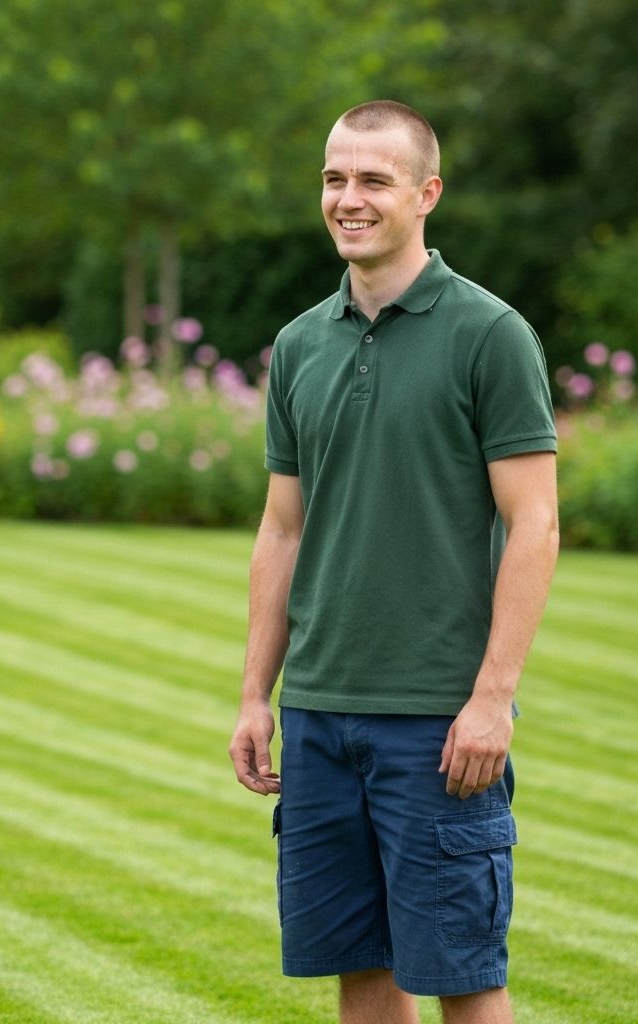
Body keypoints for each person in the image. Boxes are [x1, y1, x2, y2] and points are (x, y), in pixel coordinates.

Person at [228, 100, 559, 1024]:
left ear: (427, 193)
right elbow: (283, 528)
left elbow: (535, 525)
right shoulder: (299, 345)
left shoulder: (490, 335)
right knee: (360, 970)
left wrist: (492, 698)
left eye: (373, 179)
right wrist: (259, 693)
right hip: (322, 715)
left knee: (462, 977)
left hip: (439, 721)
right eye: (335, 177)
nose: (349, 198)